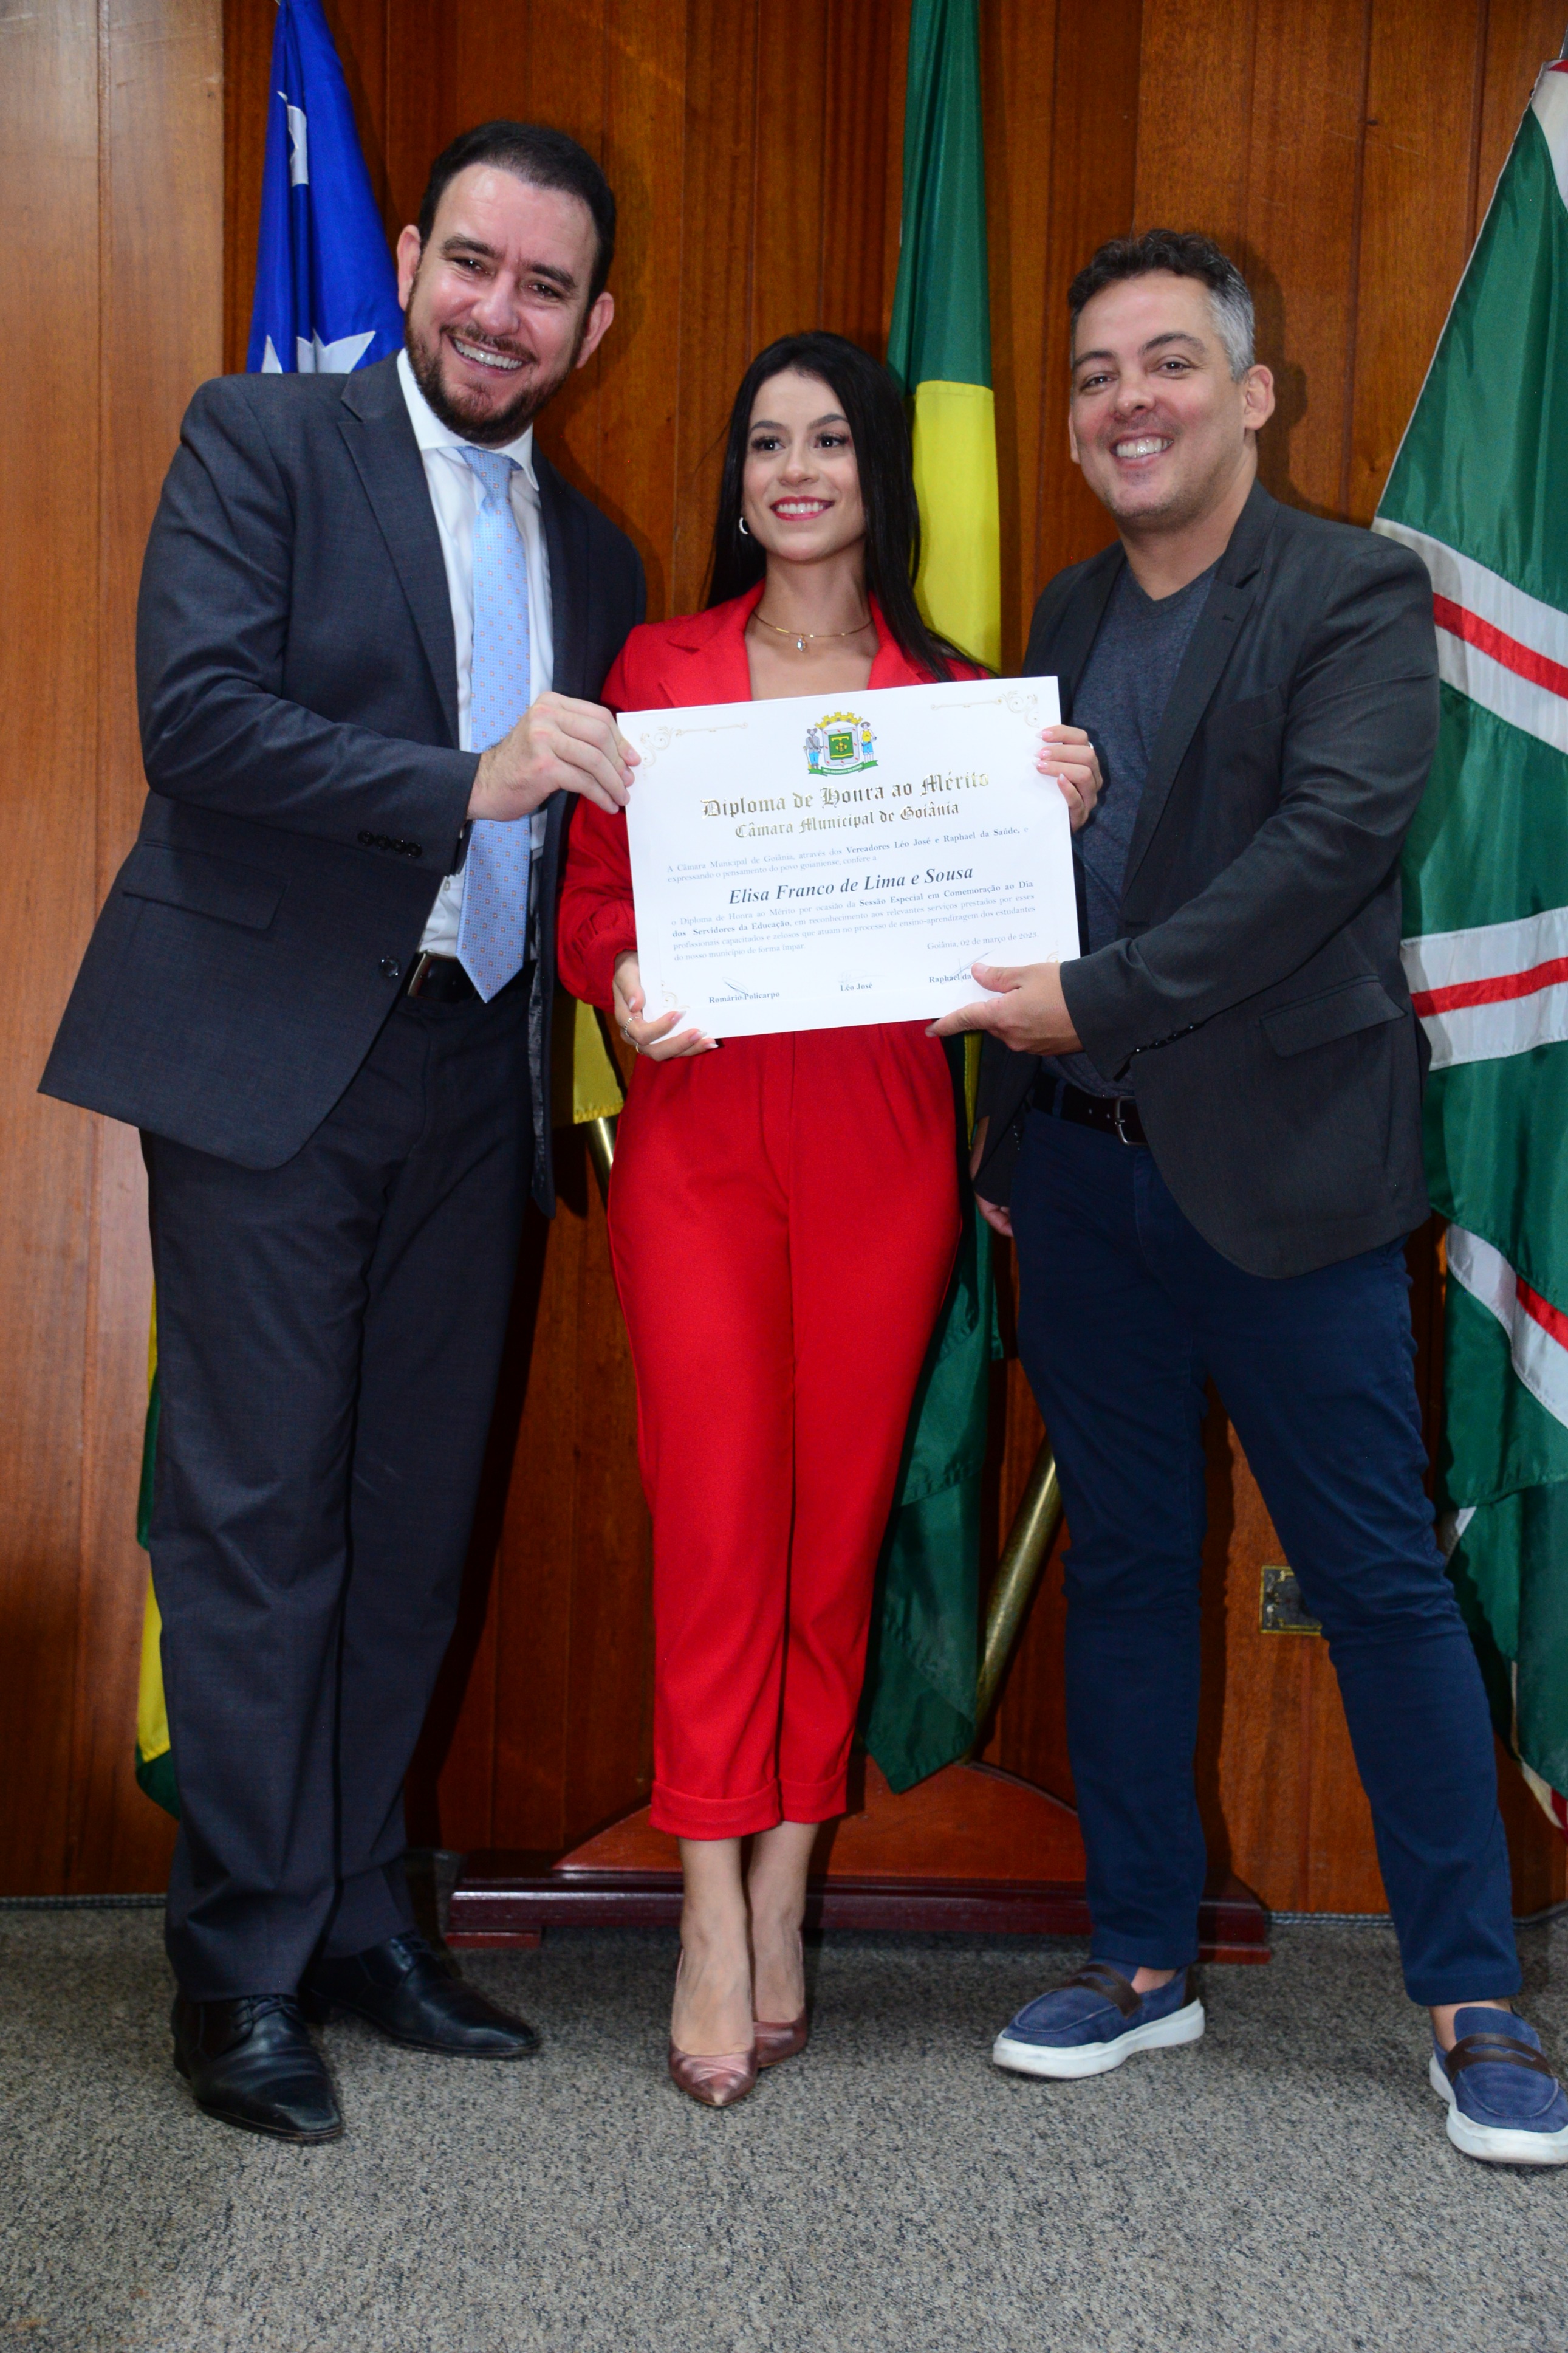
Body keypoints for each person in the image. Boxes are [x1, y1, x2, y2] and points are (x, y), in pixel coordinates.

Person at [40, 120, 645, 2145]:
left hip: (482, 1076)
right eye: (472, 262)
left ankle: (368, 1919)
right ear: (406, 256)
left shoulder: (602, 556)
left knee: (408, 1521)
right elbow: (197, 720)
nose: (498, 310)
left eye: (544, 286)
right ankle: (238, 1966)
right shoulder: (262, 441)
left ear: (593, 325)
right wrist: (465, 780)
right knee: (256, 1521)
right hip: (275, 1064)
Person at [937, 230, 1568, 2166]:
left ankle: (1473, 2001)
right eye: (1095, 374)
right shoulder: (1062, 605)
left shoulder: (1354, 591)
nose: (1127, 401)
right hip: (1084, 1182)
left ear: (1251, 394)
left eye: (1168, 364)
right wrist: (1012, 1128)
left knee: (1379, 1579)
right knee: (1127, 1573)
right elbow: (1030, 886)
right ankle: (1143, 1960)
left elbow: (1325, 849)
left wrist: (1094, 1006)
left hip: (1290, 1187)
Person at [558, 331, 1101, 2107]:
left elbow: (1020, 945)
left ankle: (789, 1873)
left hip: (883, 1143)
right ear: (739, 482)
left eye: (830, 442)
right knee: (719, 1518)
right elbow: (591, 899)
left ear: (878, 472)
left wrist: (1058, 825)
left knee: (838, 1524)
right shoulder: (659, 669)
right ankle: (708, 1907)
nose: (796, 471)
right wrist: (619, 975)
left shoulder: (959, 703)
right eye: (766, 442)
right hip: (702, 1138)